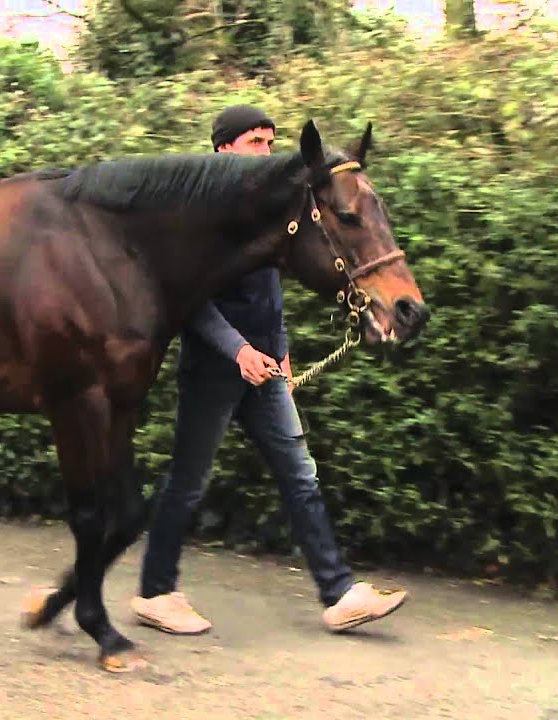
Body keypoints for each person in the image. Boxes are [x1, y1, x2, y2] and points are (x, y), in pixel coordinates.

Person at [130, 105, 408, 634]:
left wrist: (278, 350)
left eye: (270, 140)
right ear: (223, 150)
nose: (266, 149)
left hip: (267, 369)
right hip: (216, 369)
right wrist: (237, 351)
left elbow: (270, 293)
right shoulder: (201, 214)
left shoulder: (274, 208)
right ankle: (155, 592)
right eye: (254, 141)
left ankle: (340, 593)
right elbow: (185, 299)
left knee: (300, 474)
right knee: (188, 482)